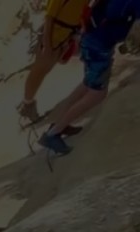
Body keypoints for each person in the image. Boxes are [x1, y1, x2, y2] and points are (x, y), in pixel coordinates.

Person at [39, 0, 140, 155]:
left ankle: (59, 124)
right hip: (99, 47)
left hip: (90, 39)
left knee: (87, 85)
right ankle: (53, 134)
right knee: (97, 94)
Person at [19, 0, 92, 126]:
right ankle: (27, 105)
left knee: (44, 69)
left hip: (66, 35)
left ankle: (27, 104)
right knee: (40, 70)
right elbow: (49, 17)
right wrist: (47, 44)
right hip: (53, 35)